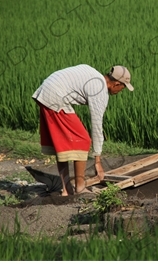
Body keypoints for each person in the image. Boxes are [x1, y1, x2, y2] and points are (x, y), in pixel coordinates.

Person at [32, 64, 134, 196]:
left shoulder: (94, 74)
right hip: (55, 96)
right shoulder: (100, 91)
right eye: (123, 87)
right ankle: (80, 187)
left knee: (62, 142)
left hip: (46, 90)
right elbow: (97, 125)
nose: (121, 90)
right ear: (116, 84)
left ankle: (66, 188)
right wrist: (97, 161)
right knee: (82, 139)